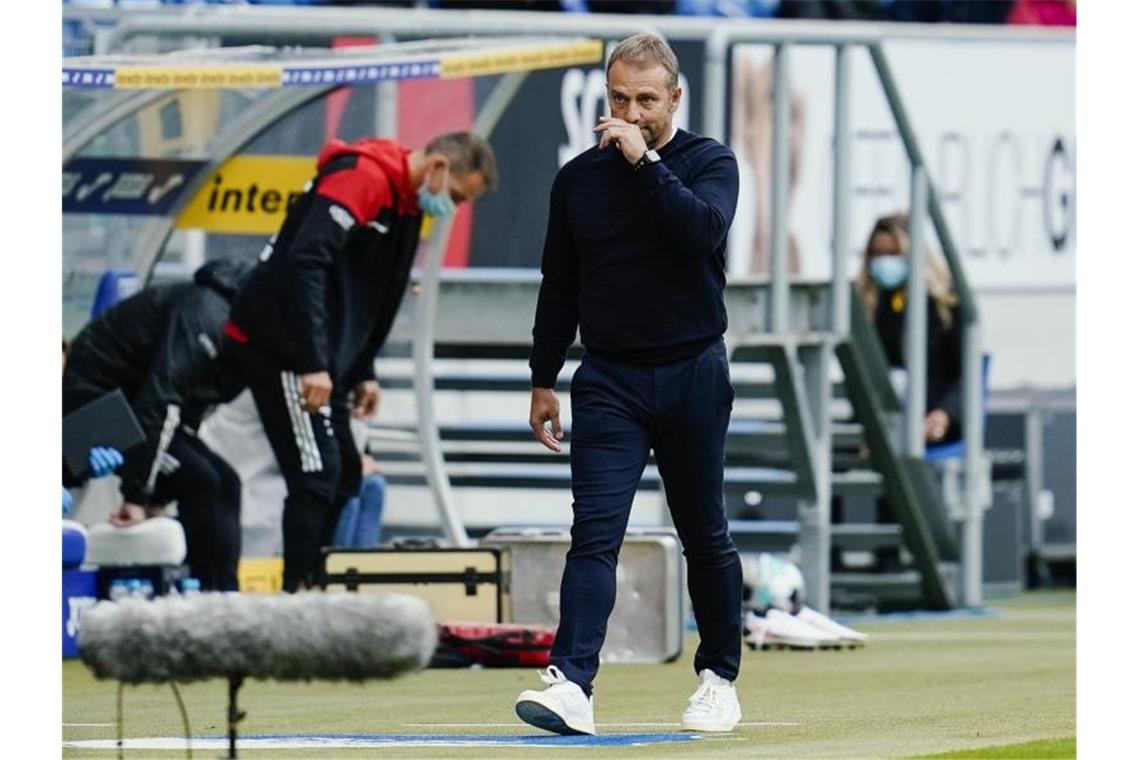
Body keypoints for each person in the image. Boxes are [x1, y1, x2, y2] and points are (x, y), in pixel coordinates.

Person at [516, 33, 743, 736]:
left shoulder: (710, 162)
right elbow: (561, 285)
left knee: (703, 531)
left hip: (693, 370)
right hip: (610, 375)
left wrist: (645, 162)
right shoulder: (579, 179)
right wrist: (542, 378)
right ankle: (572, 683)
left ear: (674, 98)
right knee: (595, 533)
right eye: (620, 98)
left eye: (646, 99)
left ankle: (719, 678)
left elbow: (699, 232)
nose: (631, 111)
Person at [224, 131, 496, 592]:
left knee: (347, 471)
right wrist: (313, 363)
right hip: (284, 348)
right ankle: (300, 600)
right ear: (436, 168)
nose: (449, 207)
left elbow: (371, 295)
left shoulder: (406, 204)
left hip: (326, 360)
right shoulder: (364, 177)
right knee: (316, 474)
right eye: (453, 195)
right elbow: (303, 264)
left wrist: (363, 371)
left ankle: (315, 587)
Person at [62, 260, 252, 590]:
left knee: (227, 481)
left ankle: (225, 601)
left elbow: (185, 405)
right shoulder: (205, 314)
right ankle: (209, 605)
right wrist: (137, 496)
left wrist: (156, 493)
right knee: (201, 479)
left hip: (127, 409)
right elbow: (159, 402)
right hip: (104, 410)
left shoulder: (224, 320)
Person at [857, 212, 963, 445]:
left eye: (893, 254)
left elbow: (966, 378)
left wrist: (944, 415)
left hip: (937, 417)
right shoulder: (872, 306)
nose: (884, 263)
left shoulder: (945, 305)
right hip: (886, 419)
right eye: (878, 255)